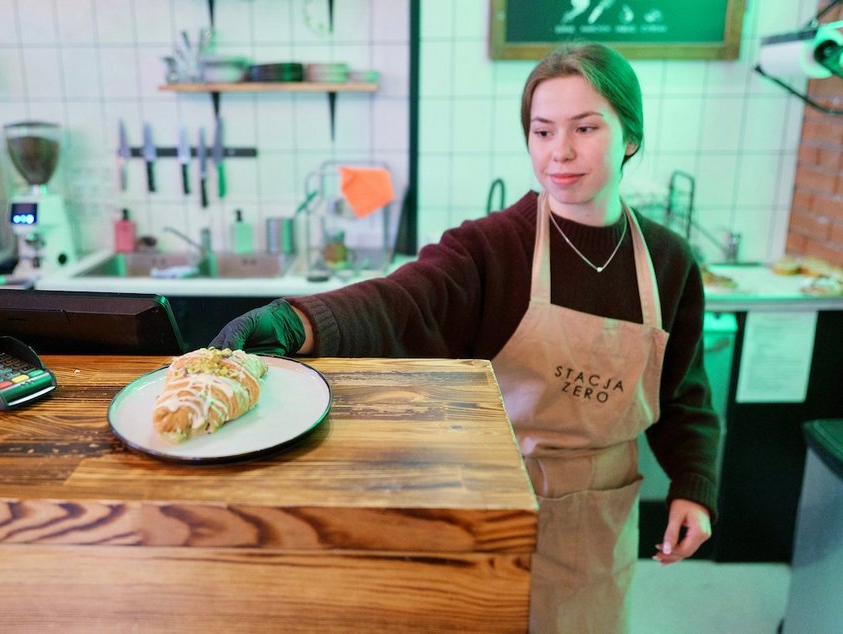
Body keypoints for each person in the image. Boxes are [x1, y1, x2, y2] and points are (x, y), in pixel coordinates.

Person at [211, 42, 718, 633]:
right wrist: (297, 323)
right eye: (543, 131)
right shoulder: (492, 246)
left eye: (586, 128)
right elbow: (404, 299)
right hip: (491, 490)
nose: (561, 153)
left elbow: (684, 391)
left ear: (630, 136)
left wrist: (694, 484)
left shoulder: (669, 262)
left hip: (600, 515)